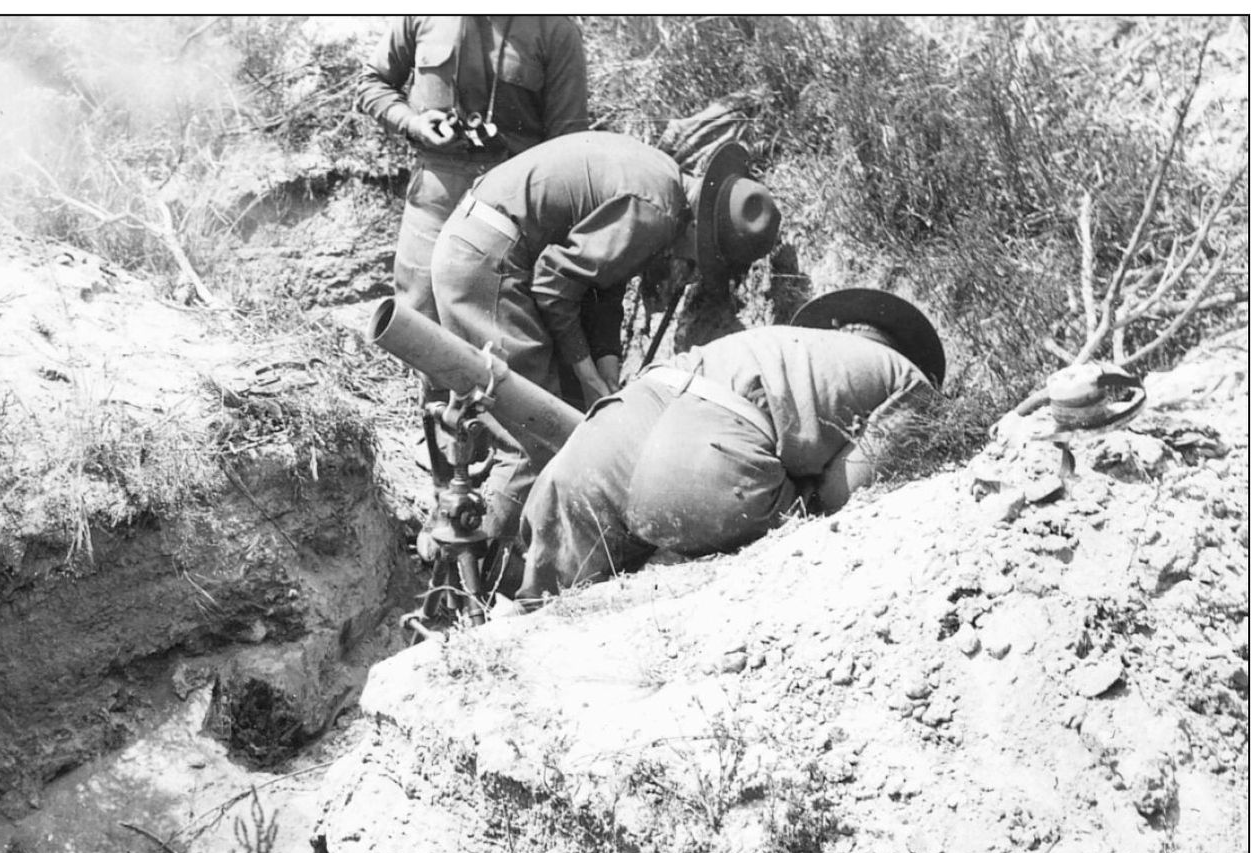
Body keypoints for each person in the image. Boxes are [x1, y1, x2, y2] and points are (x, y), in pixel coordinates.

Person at [431, 131, 782, 542]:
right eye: (700, 256)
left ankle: (458, 542)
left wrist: (605, 361)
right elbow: (553, 282)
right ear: (700, 233)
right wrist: (584, 372)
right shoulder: (658, 213)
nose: (687, 262)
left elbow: (600, 283)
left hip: (479, 244)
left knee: (523, 417)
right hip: (490, 262)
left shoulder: (661, 180)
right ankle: (485, 571)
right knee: (536, 433)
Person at [510, 289, 946, 604]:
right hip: (704, 463)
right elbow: (846, 496)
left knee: (544, 613)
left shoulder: (773, 341)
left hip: (617, 422)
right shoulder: (910, 381)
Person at [356, 16, 591, 344]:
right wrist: (413, 123)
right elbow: (372, 83)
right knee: (420, 319)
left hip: (512, 204)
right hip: (435, 195)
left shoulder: (553, 29)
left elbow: (569, 143)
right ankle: (435, 396)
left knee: (498, 325)